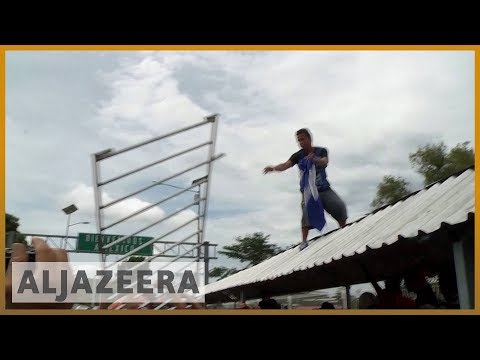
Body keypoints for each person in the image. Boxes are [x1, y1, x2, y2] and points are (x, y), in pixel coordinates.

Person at [263, 128, 348, 249]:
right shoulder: (298, 155)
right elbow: (285, 165)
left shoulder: (321, 151)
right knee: (306, 214)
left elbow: (324, 162)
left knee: (339, 206)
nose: (301, 142)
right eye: (299, 140)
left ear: (309, 138)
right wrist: (273, 168)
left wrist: (314, 159)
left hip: (324, 189)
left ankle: (344, 230)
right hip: (308, 192)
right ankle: (304, 241)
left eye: (302, 139)